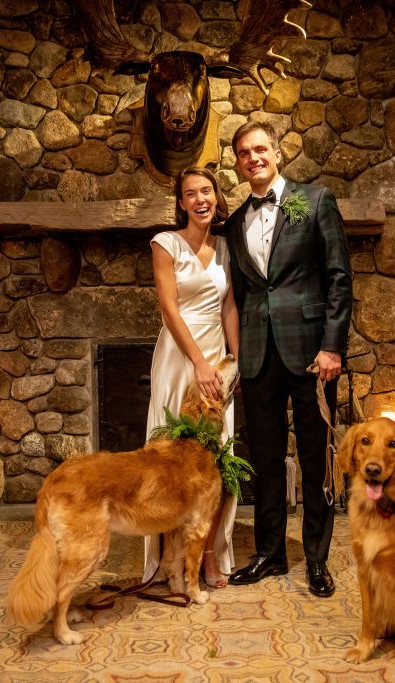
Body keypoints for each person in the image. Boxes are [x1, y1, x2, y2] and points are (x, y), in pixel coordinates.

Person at [224, 121, 353, 598]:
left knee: (317, 456)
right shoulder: (235, 223)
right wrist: (236, 358)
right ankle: (270, 553)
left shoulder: (316, 200)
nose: (253, 158)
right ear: (237, 163)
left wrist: (332, 346)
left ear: (277, 153)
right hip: (258, 355)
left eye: (260, 149)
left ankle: (316, 558)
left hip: (311, 354)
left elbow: (339, 278)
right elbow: (239, 294)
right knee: (264, 459)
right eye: (243, 152)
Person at [143, 167, 241, 588]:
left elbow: (229, 308)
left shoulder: (226, 248)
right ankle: (169, 558)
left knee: (217, 458)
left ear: (216, 197)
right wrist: (199, 364)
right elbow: (169, 309)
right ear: (181, 202)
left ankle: (209, 557)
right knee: (170, 459)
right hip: (179, 357)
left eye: (206, 191)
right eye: (190, 194)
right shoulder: (165, 243)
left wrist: (234, 359)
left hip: (218, 356)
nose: (200, 199)